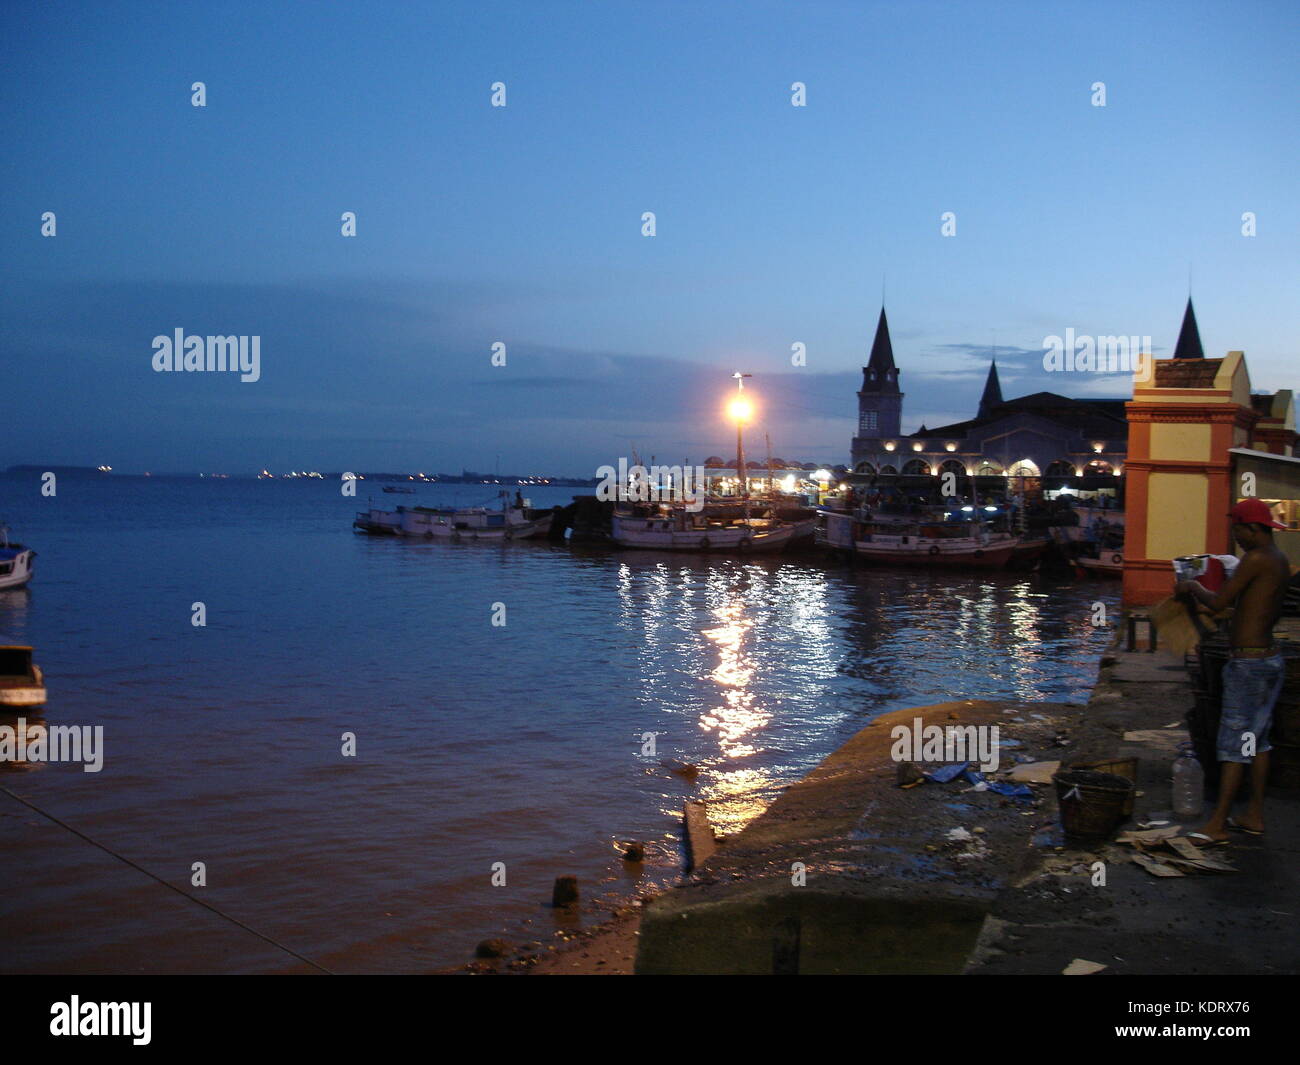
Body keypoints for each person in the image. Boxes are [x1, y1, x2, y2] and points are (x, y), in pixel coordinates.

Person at [1175, 498, 1290, 843]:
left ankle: (1218, 824)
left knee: (1234, 743)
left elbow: (1220, 601)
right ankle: (1253, 814)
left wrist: (1192, 585)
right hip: (1269, 659)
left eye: (1238, 530)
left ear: (1253, 529)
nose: (1236, 538)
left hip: (1249, 664)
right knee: (1259, 741)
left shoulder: (1255, 559)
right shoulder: (1279, 559)